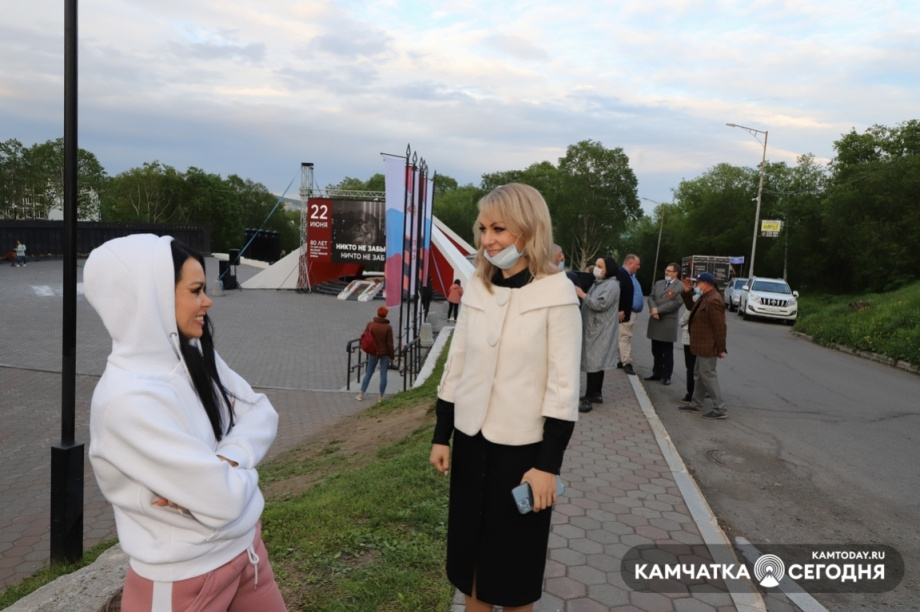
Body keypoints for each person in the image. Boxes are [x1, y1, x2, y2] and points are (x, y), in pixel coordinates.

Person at [83, 234, 287, 611]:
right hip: (182, 582)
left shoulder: (192, 353)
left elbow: (262, 412)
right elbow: (223, 501)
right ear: (152, 297)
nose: (207, 301)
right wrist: (233, 474)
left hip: (247, 554)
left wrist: (226, 460)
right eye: (195, 290)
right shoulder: (127, 401)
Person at [428, 183, 581, 611]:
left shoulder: (558, 294)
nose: (487, 239)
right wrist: (443, 435)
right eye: (482, 228)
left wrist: (548, 465)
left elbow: (564, 386)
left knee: (513, 573)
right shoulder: (477, 286)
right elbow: (457, 363)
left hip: (523, 453)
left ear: (528, 231)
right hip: (471, 444)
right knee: (471, 566)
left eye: (499, 229)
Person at [678, 271, 728, 419]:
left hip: (709, 346)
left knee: (708, 375)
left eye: (697, 283)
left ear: (706, 284)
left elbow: (720, 326)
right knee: (700, 374)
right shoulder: (705, 297)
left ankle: (720, 409)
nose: (696, 286)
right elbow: (691, 307)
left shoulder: (714, 300)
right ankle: (696, 403)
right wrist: (688, 292)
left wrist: (720, 348)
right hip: (702, 345)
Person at [576, 256, 620, 412]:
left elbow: (599, 304)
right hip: (594, 329)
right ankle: (596, 394)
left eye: (600, 266)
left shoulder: (611, 285)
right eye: (596, 265)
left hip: (600, 330)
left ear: (608, 269)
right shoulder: (601, 282)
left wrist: (582, 295)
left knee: (594, 362)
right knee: (595, 362)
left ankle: (589, 397)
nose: (596, 268)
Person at [644, 262, 684, 385]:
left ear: (676, 273)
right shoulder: (659, 283)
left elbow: (677, 303)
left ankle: (666, 375)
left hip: (667, 321)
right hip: (655, 320)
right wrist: (653, 309)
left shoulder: (680, 286)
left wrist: (658, 310)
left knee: (667, 351)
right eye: (666, 270)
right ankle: (657, 372)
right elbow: (651, 297)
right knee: (655, 349)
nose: (667, 272)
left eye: (670, 271)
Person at [356, 305, 396, 402]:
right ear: (386, 315)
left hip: (373, 352)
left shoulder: (370, 325)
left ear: (377, 314)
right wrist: (392, 356)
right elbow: (390, 343)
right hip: (385, 353)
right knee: (383, 374)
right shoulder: (388, 327)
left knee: (369, 372)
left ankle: (361, 394)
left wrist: (362, 347)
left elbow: (364, 337)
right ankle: (380, 397)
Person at [615, 254, 641, 375]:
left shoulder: (629, 275)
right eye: (637, 264)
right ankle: (626, 362)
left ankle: (619, 360)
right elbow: (618, 292)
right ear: (630, 263)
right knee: (625, 337)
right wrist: (620, 309)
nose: (639, 267)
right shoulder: (622, 274)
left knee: (623, 336)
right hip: (625, 312)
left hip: (629, 311)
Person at [678, 279, 699, 404]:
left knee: (691, 367)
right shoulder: (701, 297)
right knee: (696, 367)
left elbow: (687, 314)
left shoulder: (698, 297)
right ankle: (697, 392)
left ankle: (691, 393)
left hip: (691, 338)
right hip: (694, 337)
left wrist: (681, 323)